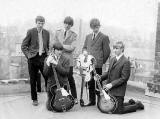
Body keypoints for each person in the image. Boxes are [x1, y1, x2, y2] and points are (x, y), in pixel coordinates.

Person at [100, 41, 144, 114]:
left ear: (122, 49)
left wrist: (111, 84)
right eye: (114, 48)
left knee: (118, 110)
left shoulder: (126, 61)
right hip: (110, 91)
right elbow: (108, 73)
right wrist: (100, 77)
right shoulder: (112, 59)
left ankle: (137, 105)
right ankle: (130, 102)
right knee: (109, 108)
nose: (114, 50)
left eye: (117, 48)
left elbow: (124, 78)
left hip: (119, 91)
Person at [21, 16, 50, 106]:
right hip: (33, 58)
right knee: (33, 80)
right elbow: (23, 46)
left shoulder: (46, 33)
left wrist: (48, 55)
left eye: (42, 23)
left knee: (47, 78)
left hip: (43, 58)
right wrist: (29, 56)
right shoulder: (31, 32)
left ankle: (50, 97)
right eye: (39, 23)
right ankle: (34, 99)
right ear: (36, 23)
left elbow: (47, 46)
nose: (40, 25)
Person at [82, 18, 111, 106]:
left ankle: (100, 101)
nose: (96, 29)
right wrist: (84, 52)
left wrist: (101, 62)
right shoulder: (88, 37)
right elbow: (84, 48)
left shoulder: (104, 37)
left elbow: (107, 51)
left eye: (97, 27)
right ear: (91, 27)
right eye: (94, 27)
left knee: (99, 83)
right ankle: (92, 101)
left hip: (97, 65)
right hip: (88, 65)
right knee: (90, 82)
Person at [53, 16, 78, 104]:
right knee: (60, 79)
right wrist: (61, 47)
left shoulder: (74, 34)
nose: (67, 25)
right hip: (59, 60)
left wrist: (60, 46)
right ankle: (64, 98)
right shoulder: (57, 32)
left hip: (69, 61)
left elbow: (72, 47)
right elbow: (54, 45)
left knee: (70, 79)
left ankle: (75, 97)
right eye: (66, 23)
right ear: (64, 23)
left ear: (71, 25)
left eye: (69, 24)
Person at [43, 42, 70, 111]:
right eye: (58, 50)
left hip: (63, 84)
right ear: (53, 50)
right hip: (52, 85)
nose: (59, 52)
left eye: (61, 50)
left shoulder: (66, 59)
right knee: (50, 107)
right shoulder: (47, 58)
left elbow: (66, 72)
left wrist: (56, 64)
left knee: (65, 105)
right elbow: (45, 74)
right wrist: (48, 64)